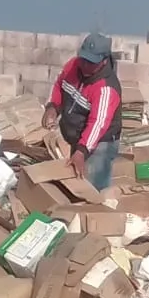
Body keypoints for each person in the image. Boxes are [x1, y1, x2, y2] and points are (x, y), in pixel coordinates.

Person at [40, 32, 122, 189]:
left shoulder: (106, 88)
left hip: (99, 144)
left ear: (104, 61)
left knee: (90, 189)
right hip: (77, 136)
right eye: (84, 59)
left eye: (91, 62)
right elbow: (60, 84)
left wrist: (82, 151)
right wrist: (53, 107)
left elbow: (97, 124)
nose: (85, 65)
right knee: (72, 186)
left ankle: (95, 213)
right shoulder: (73, 66)